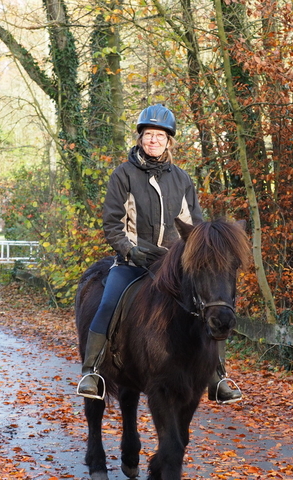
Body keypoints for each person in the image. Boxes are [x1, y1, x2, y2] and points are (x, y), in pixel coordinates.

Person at [77, 103, 242, 404]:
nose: (154, 140)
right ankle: (93, 371)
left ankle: (217, 376)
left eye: (160, 136)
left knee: (208, 305)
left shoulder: (182, 179)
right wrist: (130, 250)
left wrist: (194, 253)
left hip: (174, 263)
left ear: (169, 141)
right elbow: (112, 224)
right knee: (108, 302)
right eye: (148, 134)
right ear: (140, 138)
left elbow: (196, 225)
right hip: (134, 261)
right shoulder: (123, 175)